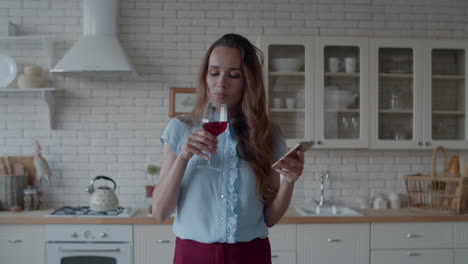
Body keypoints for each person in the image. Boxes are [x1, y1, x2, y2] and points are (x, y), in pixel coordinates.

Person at [152, 33, 305, 264]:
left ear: (249, 81)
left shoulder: (267, 134)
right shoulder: (179, 129)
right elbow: (160, 212)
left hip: (251, 255)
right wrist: (184, 156)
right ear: (205, 77)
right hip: (193, 256)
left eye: (234, 75)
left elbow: (270, 218)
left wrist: (290, 181)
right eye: (214, 73)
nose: (221, 82)